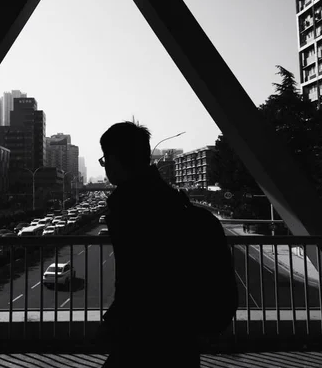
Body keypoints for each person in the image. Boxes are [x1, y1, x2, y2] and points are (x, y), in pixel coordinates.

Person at [96, 121, 237, 367]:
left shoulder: (132, 207)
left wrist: (117, 322)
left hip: (147, 339)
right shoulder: (169, 199)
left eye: (105, 160)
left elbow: (136, 281)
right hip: (181, 336)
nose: (106, 167)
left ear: (116, 159)